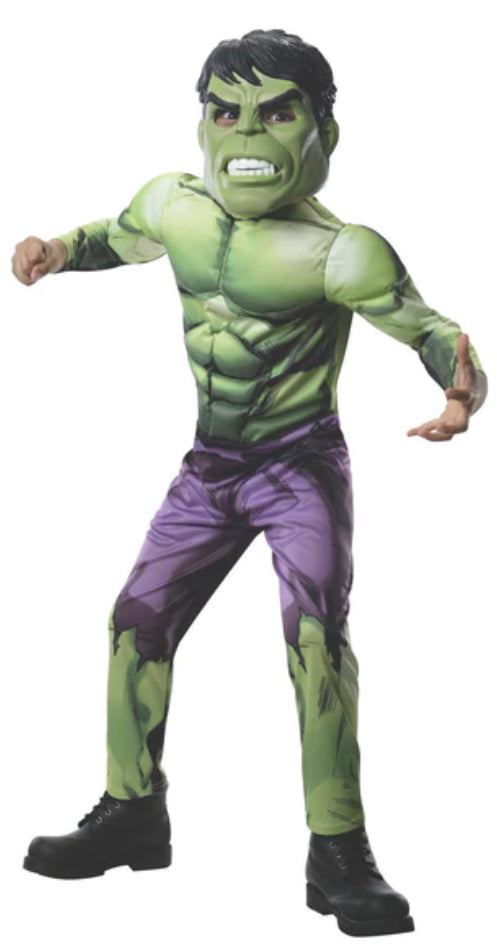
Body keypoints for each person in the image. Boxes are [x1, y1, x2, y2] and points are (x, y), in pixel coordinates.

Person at [12, 28, 486, 938]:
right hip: (209, 466)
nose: (248, 134)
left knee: (316, 643)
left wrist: (460, 392)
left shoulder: (340, 251)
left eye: (276, 113)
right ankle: (132, 812)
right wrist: (57, 251)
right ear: (202, 124)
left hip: (298, 466)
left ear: (322, 132)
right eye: (226, 113)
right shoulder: (174, 204)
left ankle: (337, 850)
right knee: (134, 623)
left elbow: (428, 328)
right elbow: (116, 237)